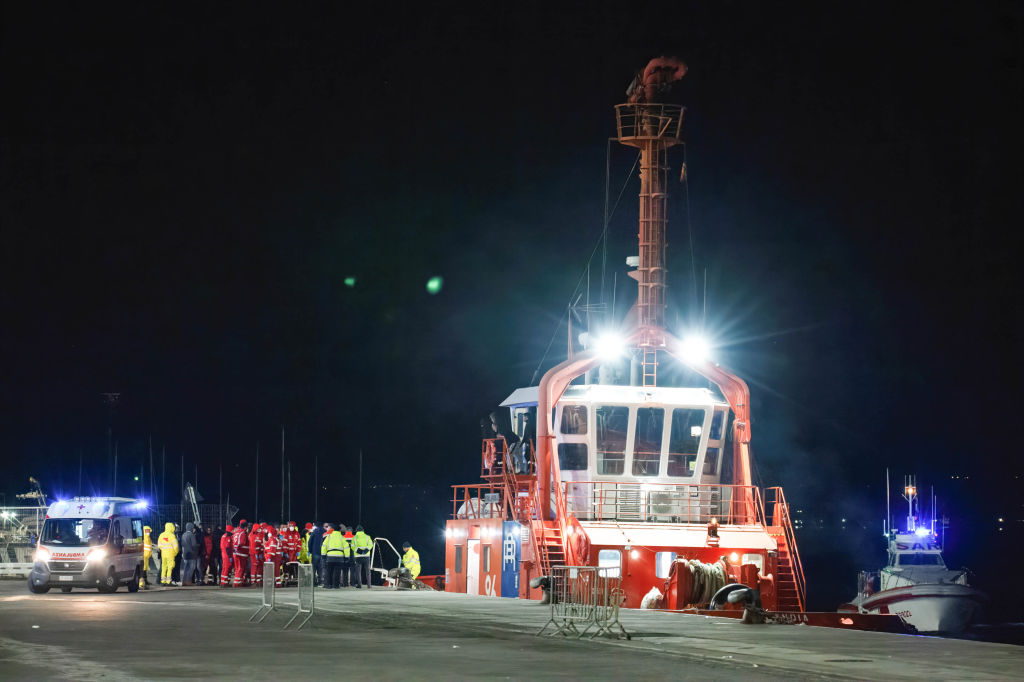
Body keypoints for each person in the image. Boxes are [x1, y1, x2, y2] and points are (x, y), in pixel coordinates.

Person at [321, 524, 345, 589]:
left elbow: (324, 546)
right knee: (337, 572)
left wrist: (323, 555)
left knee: (328, 571)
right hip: (339, 557)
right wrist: (347, 556)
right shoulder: (342, 537)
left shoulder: (329, 536)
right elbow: (346, 547)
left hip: (330, 556)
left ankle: (328, 585)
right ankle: (336, 585)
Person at [232, 520, 249, 587]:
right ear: (245, 527)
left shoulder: (236, 532)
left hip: (236, 553)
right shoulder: (242, 533)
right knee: (240, 568)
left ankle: (238, 581)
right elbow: (241, 543)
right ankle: (237, 583)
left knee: (237, 568)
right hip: (241, 553)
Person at [308, 522, 324, 586]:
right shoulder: (325, 532)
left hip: (315, 552)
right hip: (322, 553)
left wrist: (310, 550)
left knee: (314, 568)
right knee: (321, 568)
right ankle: (320, 582)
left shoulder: (314, 532)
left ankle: (314, 582)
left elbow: (310, 542)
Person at [249, 522, 264, 587]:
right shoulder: (252, 535)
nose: (259, 530)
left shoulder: (260, 534)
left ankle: (258, 580)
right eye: (258, 529)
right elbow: (253, 546)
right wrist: (256, 554)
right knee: (254, 566)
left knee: (259, 566)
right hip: (254, 554)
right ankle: (253, 581)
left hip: (259, 553)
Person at [141, 525, 153, 589]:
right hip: (144, 556)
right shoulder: (144, 538)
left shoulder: (147, 538)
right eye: (147, 531)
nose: (148, 532)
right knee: (143, 569)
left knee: (145, 569)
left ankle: (145, 581)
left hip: (146, 556)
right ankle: (142, 584)